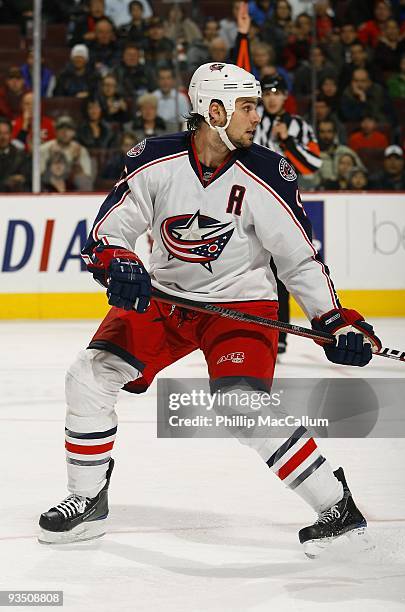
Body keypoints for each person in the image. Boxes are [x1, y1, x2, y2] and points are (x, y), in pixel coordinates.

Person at [38, 63, 382, 557]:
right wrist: (122, 263)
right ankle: (86, 499)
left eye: (257, 107)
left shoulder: (268, 172)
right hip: (167, 299)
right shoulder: (154, 159)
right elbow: (107, 234)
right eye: (246, 107)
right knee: (88, 376)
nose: (256, 117)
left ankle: (337, 507)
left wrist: (335, 321)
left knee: (241, 406)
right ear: (212, 110)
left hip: (240, 306)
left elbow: (299, 259)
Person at [253, 74, 322, 354]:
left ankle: (280, 333)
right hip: (250, 203)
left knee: (282, 269)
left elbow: (313, 165)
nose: (271, 97)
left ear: (285, 96)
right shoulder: (251, 120)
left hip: (284, 206)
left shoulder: (300, 127)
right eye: (266, 92)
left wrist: (289, 143)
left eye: (276, 92)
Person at [40, 115, 93, 191]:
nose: (65, 132)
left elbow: (86, 177)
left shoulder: (80, 150)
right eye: (61, 129)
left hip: (72, 190)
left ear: (74, 132)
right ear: (55, 131)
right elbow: (39, 174)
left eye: (69, 129)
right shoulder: (44, 148)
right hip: (48, 188)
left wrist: (76, 161)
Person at [152, 67, 191, 132]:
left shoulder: (181, 98)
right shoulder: (153, 97)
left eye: (168, 78)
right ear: (157, 81)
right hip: (157, 131)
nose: (165, 82)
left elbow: (185, 121)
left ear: (173, 80)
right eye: (162, 78)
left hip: (175, 132)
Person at [0, 116, 31, 192]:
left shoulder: (21, 156)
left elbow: (26, 180)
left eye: (6, 133)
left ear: (11, 134)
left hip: (13, 199)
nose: (2, 137)